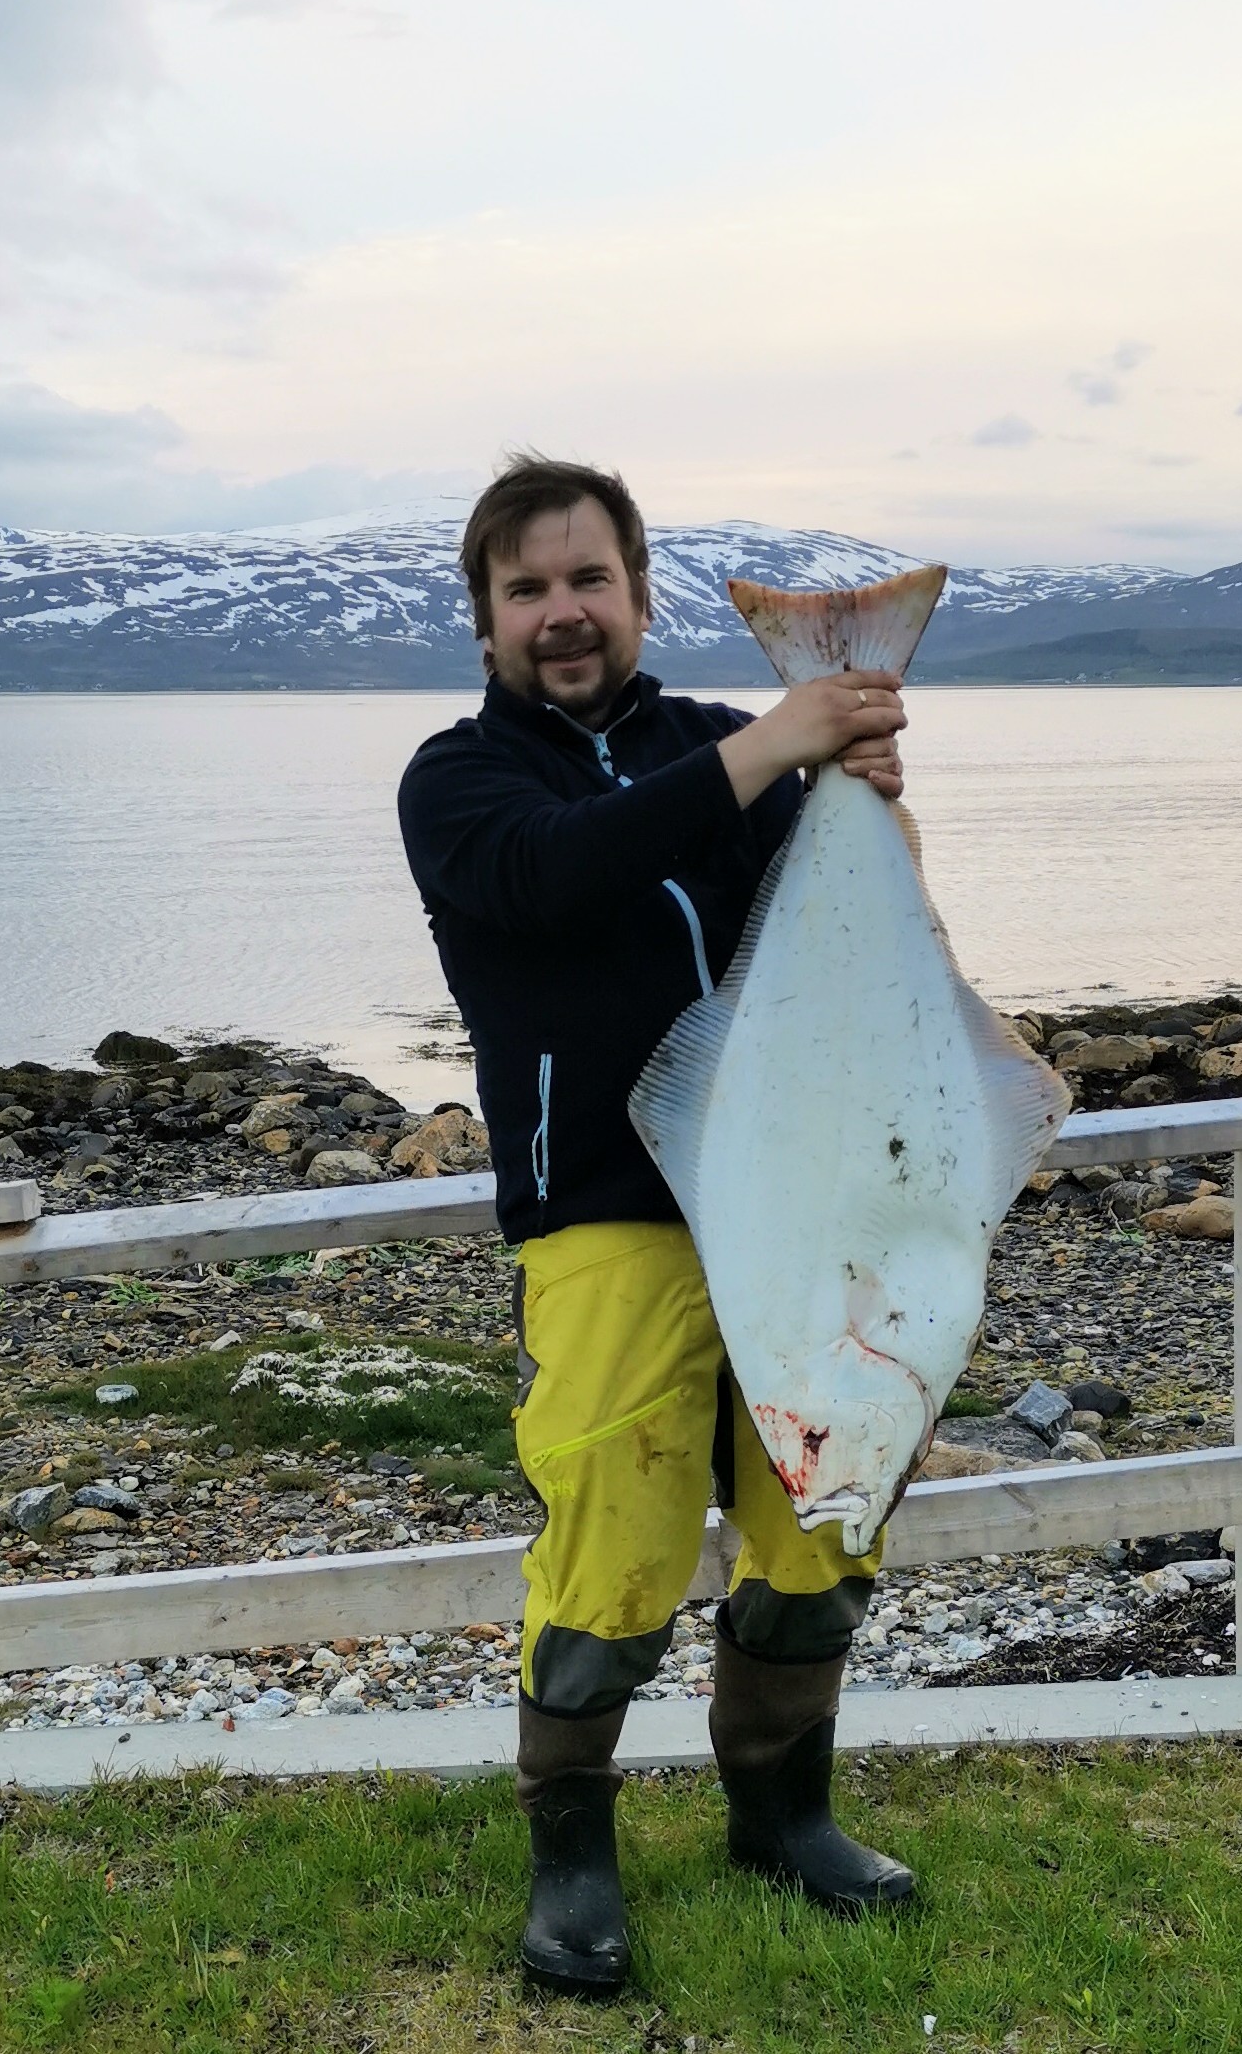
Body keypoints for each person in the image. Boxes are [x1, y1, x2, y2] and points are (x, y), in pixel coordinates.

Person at [397, 454, 914, 1996]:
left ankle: (783, 1814)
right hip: (604, 1214)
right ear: (487, 619)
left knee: (822, 1521)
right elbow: (559, 878)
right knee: (612, 1542)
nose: (562, 613)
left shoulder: (722, 743)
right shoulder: (459, 782)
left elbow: (845, 939)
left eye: (589, 579)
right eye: (527, 589)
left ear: (638, 594)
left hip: (798, 1205)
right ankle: (572, 1855)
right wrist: (781, 745)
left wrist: (863, 801)